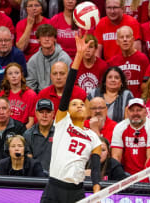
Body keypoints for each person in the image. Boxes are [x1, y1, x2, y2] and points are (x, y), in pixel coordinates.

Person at [40, 34, 102, 203]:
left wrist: (97, 188)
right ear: (66, 109)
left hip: (76, 191)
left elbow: (96, 167)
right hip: (54, 188)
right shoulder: (62, 121)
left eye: (81, 104)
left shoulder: (93, 137)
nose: (79, 105)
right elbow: (67, 90)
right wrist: (79, 56)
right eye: (74, 104)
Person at [111, 98, 150, 175]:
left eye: (139, 110)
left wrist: (143, 179)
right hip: (125, 173)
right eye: (132, 110)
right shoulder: (120, 127)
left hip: (147, 173)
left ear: (145, 112)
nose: (135, 113)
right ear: (127, 112)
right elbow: (116, 156)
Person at [26, 24, 72, 93]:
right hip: (39, 96)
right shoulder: (33, 60)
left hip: (60, 94)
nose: (47, 39)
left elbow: (69, 82)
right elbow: (30, 85)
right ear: (38, 39)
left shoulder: (64, 58)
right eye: (43, 36)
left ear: (55, 39)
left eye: (50, 36)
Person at [108, 26, 150, 98]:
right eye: (122, 37)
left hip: (138, 101)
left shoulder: (143, 59)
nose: (125, 40)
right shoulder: (113, 61)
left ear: (133, 39)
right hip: (120, 100)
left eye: (127, 37)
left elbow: (147, 84)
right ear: (117, 42)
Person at [0, 63, 37, 129]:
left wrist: (20, 133)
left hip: (23, 129)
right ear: (6, 77)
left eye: (16, 73)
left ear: (21, 75)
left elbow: (31, 122)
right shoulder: (2, 95)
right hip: (6, 129)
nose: (14, 76)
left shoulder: (31, 95)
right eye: (10, 74)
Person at [23, 99, 55, 175]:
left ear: (53, 113)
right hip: (36, 177)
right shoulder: (28, 134)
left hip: (58, 177)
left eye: (48, 112)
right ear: (36, 114)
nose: (44, 116)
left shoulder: (61, 132)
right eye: (41, 112)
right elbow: (28, 161)